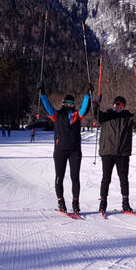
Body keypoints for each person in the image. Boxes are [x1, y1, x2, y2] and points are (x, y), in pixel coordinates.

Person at [40, 84, 91, 214]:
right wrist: (42, 94)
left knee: (75, 177)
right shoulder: (56, 115)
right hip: (60, 151)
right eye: (66, 103)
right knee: (59, 177)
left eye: (71, 103)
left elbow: (84, 109)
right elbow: (47, 107)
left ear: (73, 104)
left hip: (75, 150)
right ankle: (61, 202)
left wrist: (87, 95)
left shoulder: (76, 116)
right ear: (63, 103)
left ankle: (75, 202)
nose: (68, 105)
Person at [94, 94, 136, 214]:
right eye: (117, 104)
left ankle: (125, 203)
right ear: (113, 104)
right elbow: (95, 113)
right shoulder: (106, 116)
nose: (119, 106)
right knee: (106, 178)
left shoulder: (128, 118)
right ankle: (103, 203)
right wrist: (96, 103)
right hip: (108, 152)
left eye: (121, 105)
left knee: (123, 179)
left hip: (122, 153)